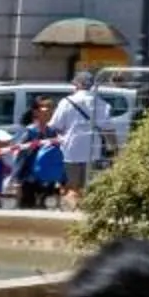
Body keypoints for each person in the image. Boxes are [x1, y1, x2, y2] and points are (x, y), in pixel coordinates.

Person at [50, 78, 119, 208]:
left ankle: (73, 210)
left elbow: (55, 125)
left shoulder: (66, 102)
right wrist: (116, 149)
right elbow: (109, 129)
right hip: (93, 151)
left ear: (77, 85)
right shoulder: (101, 103)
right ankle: (84, 211)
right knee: (88, 186)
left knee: (72, 186)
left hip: (71, 150)